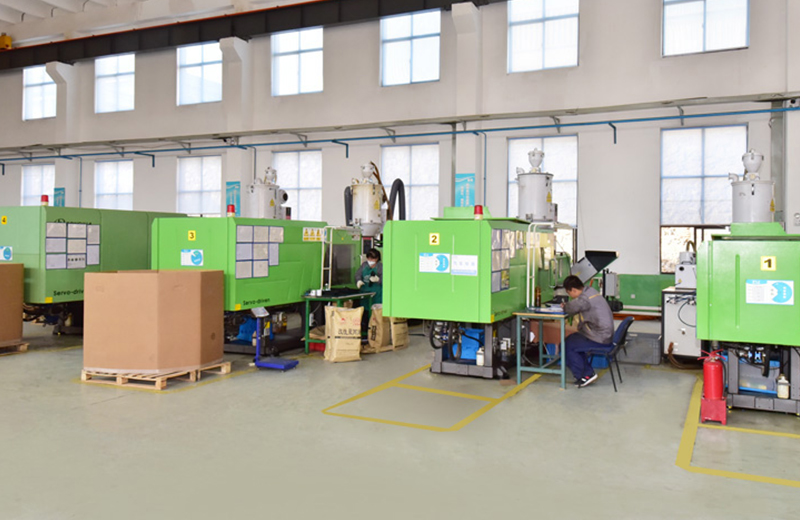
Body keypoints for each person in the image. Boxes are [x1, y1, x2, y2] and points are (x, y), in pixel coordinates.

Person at [561, 275, 614, 388]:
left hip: (599, 337)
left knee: (567, 345)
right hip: (604, 334)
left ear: (573, 290)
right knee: (572, 340)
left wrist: (564, 306)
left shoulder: (584, 299)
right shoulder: (591, 291)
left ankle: (586, 375)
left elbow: (570, 308)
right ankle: (586, 371)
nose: (570, 296)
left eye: (569, 293)